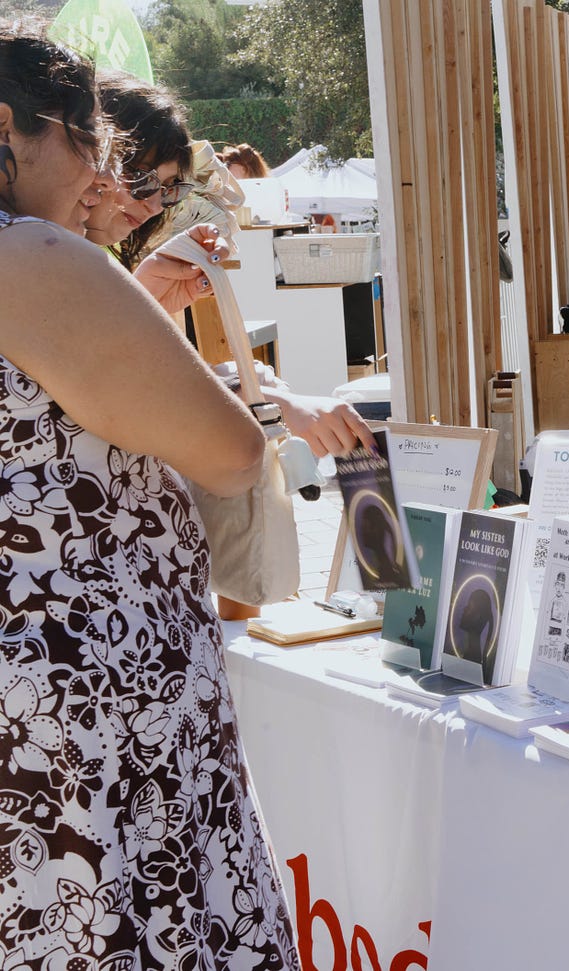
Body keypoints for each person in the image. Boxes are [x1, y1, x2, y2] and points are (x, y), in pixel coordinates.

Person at [0, 25, 297, 967]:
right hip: (97, 711)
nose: (102, 172)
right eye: (87, 139)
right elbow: (230, 449)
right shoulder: (32, 261)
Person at [85, 72, 373, 459]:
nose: (154, 204)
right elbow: (108, 396)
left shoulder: (84, 258)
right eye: (142, 180)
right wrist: (262, 399)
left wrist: (144, 297)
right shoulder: (47, 261)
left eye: (170, 189)